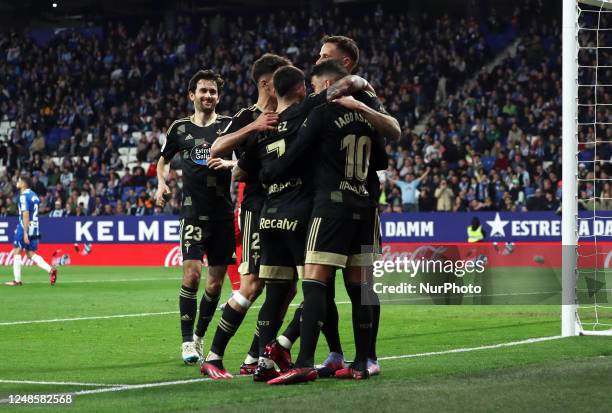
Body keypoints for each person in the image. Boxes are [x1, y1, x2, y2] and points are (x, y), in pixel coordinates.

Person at [263, 60, 389, 384]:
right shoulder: (366, 115)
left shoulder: (321, 113)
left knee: (315, 282)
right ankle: (361, 362)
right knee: (361, 289)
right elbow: (381, 161)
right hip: (363, 206)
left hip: (331, 208)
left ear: (331, 84)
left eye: (318, 87)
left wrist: (271, 173)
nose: (315, 93)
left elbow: (294, 154)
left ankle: (304, 361)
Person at [201, 54, 290, 378]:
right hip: (256, 207)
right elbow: (216, 147)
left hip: (287, 207)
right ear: (266, 82)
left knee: (286, 288)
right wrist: (254, 126)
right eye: (281, 76)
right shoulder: (247, 115)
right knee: (252, 283)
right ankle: (213, 355)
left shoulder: (289, 113)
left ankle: (254, 357)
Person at [155, 69, 235, 365]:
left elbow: (245, 160)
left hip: (223, 215)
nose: (208, 96)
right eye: (203, 90)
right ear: (192, 95)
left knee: (214, 286)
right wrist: (162, 183)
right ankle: (187, 342)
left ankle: (200, 336)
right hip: (192, 212)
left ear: (218, 96)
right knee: (191, 275)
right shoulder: (179, 129)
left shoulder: (229, 126)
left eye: (213, 91)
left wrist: (229, 163)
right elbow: (162, 161)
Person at [5, 175, 57, 286]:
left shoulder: (23, 196)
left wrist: (24, 232)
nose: (17, 182)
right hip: (35, 226)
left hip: (25, 225)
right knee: (30, 253)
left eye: (19, 180)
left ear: (24, 184)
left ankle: (17, 280)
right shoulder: (34, 195)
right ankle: (50, 270)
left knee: (17, 251)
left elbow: (26, 214)